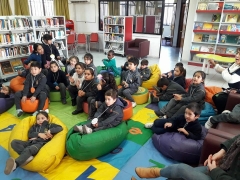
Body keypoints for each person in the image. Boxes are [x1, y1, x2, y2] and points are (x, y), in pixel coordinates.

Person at [132, 134, 240, 180]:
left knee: (180, 169)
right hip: (223, 168)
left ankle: (154, 172)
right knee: (176, 177)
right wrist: (222, 152)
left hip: (222, 175)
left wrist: (215, 171)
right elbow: (236, 138)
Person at [209, 48, 240, 114]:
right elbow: (225, 70)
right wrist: (215, 65)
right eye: (237, 53)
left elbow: (229, 78)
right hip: (231, 90)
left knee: (217, 98)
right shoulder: (235, 65)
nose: (237, 55)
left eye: (239, 54)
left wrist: (237, 91)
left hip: (237, 93)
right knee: (211, 92)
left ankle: (222, 114)